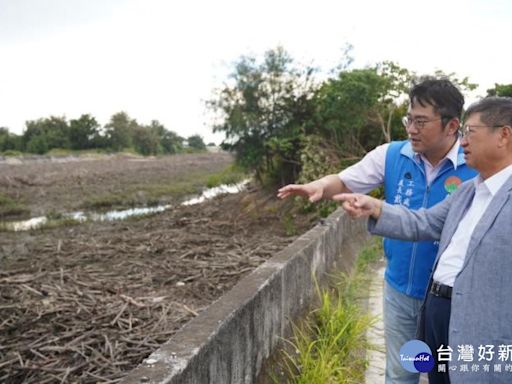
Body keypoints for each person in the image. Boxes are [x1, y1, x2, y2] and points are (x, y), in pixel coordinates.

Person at [277, 78, 477, 383]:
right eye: (409, 119)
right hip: (400, 290)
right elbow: (345, 181)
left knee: (452, 373)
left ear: (452, 126)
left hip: (455, 297)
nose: (411, 128)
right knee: (401, 372)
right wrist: (318, 186)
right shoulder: (393, 155)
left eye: (421, 121)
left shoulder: (476, 164)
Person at [336, 96, 512, 384]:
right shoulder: (468, 191)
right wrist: (376, 208)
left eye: (470, 132)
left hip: (480, 325)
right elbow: (425, 222)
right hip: (437, 313)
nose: (463, 141)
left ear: (503, 135)